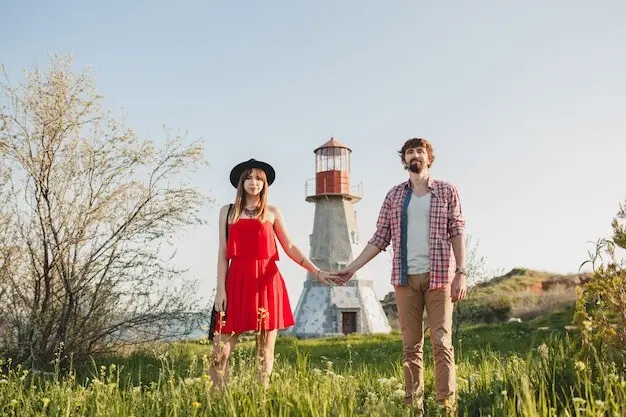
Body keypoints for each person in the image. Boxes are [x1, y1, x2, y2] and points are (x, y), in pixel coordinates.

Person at [335, 138, 467, 414]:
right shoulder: (394, 196)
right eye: (409, 152)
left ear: (429, 157)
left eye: (420, 151)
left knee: (442, 343)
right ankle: (413, 407)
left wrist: (461, 272)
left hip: (440, 276)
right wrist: (353, 267)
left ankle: (446, 406)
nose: (415, 155)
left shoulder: (446, 191)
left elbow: (457, 231)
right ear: (404, 160)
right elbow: (380, 237)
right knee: (410, 347)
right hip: (405, 279)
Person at [208, 158, 337, 389]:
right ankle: (219, 401)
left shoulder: (272, 212)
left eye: (259, 178)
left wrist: (316, 271)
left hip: (267, 284)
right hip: (235, 283)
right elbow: (222, 253)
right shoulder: (227, 212)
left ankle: (261, 400)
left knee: (264, 352)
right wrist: (221, 290)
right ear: (241, 182)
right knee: (219, 353)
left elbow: (290, 247)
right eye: (249, 178)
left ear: (265, 183)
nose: (254, 183)